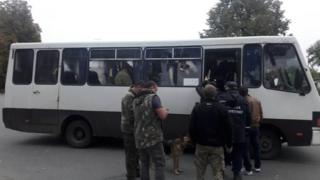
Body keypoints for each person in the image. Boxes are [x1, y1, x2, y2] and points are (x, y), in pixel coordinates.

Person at [189, 84, 232, 180]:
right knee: (218, 172)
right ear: (215, 94)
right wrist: (228, 144)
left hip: (201, 145)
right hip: (217, 146)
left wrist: (194, 142)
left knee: (200, 173)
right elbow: (228, 128)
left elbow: (191, 128)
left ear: (204, 94)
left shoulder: (197, 108)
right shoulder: (222, 109)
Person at [133, 81, 169, 180]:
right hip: (153, 137)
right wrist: (165, 111)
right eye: (157, 87)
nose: (157, 89)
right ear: (152, 87)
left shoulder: (136, 99)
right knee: (159, 163)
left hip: (139, 136)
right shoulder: (153, 97)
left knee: (144, 163)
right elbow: (162, 116)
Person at [216, 81, 251, 180]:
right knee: (238, 154)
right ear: (236, 88)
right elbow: (248, 116)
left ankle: (221, 173)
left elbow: (217, 115)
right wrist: (246, 129)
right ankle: (237, 174)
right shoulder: (243, 100)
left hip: (224, 133)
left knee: (221, 154)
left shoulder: (221, 98)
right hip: (239, 133)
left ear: (227, 88)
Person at [121, 82, 143, 180]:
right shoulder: (128, 97)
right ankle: (130, 176)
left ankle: (136, 171)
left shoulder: (134, 97)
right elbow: (130, 114)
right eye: (140, 89)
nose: (140, 91)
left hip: (134, 129)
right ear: (135, 87)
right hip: (129, 130)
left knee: (136, 153)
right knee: (130, 155)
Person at [239, 86, 263, 173]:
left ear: (240, 93)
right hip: (256, 126)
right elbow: (261, 113)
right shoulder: (256, 100)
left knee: (246, 148)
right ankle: (257, 166)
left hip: (247, 127)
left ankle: (247, 167)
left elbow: (245, 115)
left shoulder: (244, 101)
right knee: (256, 146)